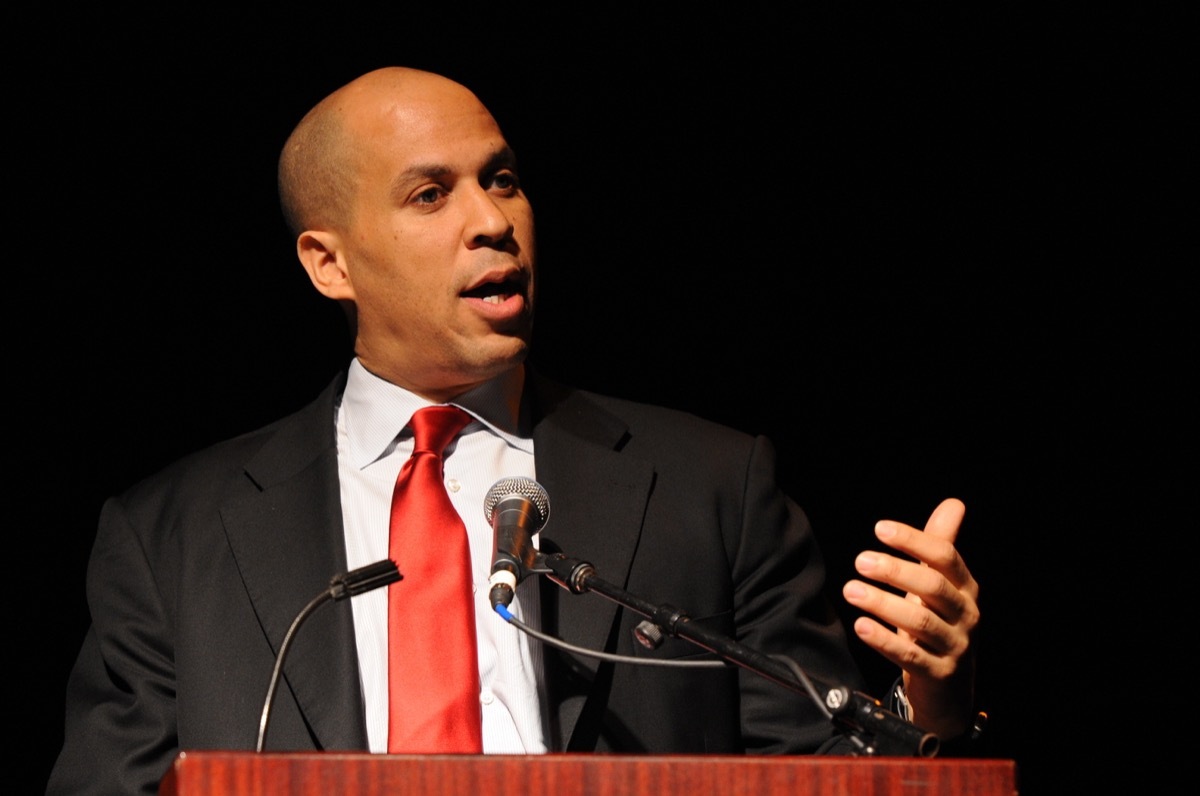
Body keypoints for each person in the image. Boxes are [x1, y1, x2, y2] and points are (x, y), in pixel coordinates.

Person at [47, 66, 981, 795]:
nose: (493, 221)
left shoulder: (711, 487)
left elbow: (827, 768)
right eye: (430, 195)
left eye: (502, 180)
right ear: (330, 264)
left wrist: (930, 699)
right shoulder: (172, 536)